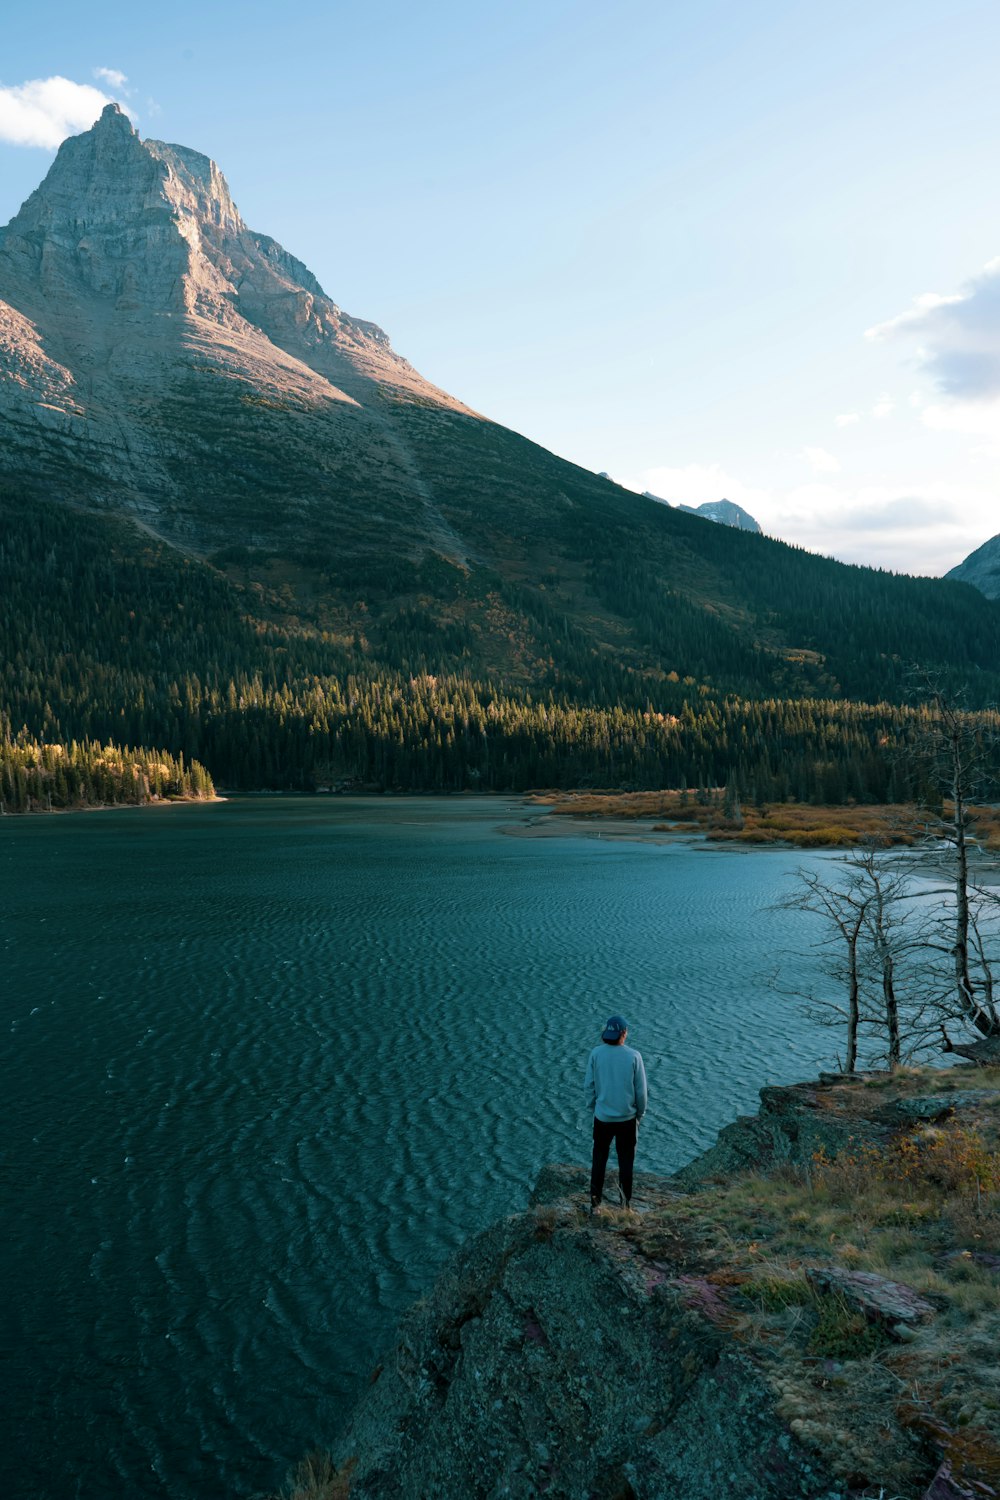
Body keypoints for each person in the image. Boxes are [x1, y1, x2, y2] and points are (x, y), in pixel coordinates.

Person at [583, 1014, 647, 1214]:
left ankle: (595, 1204)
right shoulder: (634, 1056)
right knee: (626, 1162)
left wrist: (594, 1107)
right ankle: (625, 1206)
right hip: (627, 1119)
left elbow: (589, 1086)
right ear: (624, 1033)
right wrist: (640, 1114)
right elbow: (641, 1092)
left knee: (599, 1159)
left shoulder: (596, 1054)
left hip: (602, 1118)